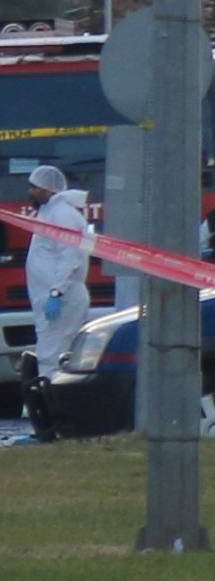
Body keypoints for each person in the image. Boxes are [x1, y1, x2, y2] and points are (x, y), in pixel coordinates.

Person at [19, 166, 92, 442]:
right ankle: (53, 424)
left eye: (34, 186)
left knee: (52, 359)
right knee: (53, 356)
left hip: (61, 299)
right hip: (52, 299)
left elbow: (69, 257)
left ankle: (52, 426)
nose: (30, 191)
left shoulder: (63, 215)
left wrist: (56, 293)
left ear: (48, 188)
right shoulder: (50, 212)